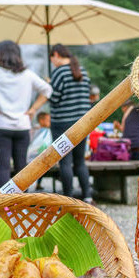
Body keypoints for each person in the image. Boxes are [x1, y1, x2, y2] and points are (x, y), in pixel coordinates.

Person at [0, 40, 52, 189]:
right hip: (22, 126)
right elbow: (47, 90)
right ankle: (21, 205)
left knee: (3, 167)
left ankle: (5, 207)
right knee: (21, 167)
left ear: (1, 55)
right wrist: (33, 110)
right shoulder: (27, 74)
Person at [49, 44, 93, 203]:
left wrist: (48, 87)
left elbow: (54, 99)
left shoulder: (59, 72)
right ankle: (87, 196)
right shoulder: (82, 71)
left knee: (65, 162)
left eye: (52, 58)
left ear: (56, 54)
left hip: (62, 123)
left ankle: (69, 198)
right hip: (82, 122)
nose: (52, 62)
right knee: (80, 161)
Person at [28, 112, 52, 190]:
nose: (50, 122)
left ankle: (38, 184)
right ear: (41, 121)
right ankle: (38, 184)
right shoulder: (40, 131)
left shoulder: (43, 131)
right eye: (48, 120)